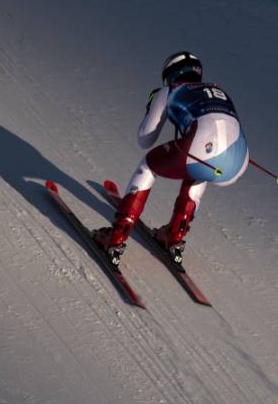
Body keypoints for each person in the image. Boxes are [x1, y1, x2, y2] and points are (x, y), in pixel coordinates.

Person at [93, 51, 249, 265]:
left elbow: (145, 139)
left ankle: (117, 236)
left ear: (171, 75)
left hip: (202, 149)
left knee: (148, 166)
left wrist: (153, 104)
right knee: (198, 170)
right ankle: (175, 236)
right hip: (238, 162)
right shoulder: (217, 90)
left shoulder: (171, 90)